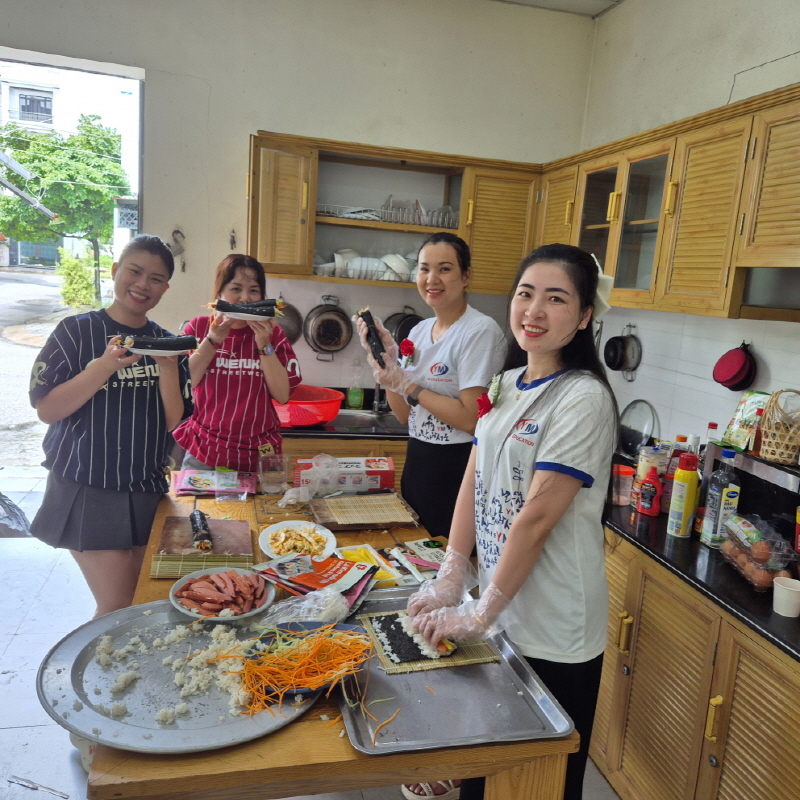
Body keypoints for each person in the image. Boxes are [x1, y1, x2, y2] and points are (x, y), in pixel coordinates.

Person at [407, 243, 617, 800]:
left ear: (584, 317)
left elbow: (537, 518)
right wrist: (453, 573)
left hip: (552, 625)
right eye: (526, 294)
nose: (535, 311)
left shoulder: (583, 398)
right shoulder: (507, 385)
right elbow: (473, 482)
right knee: (487, 773)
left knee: (536, 785)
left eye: (556, 298)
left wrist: (479, 610)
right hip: (504, 614)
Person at [29, 234, 192, 618]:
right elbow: (48, 409)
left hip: (145, 487)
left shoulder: (167, 344)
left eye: (155, 278)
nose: (142, 284)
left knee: (141, 597)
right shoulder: (75, 331)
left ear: (165, 289)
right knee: (119, 605)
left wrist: (167, 369)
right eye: (134, 271)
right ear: (116, 271)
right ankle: (88, 675)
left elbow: (173, 422)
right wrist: (104, 366)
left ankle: (118, 673)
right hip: (88, 486)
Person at [355, 232, 505, 539]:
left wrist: (409, 385)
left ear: (466, 276)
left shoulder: (479, 331)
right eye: (424, 269)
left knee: (453, 571)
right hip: (418, 465)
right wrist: (388, 366)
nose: (431, 278)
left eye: (444, 269)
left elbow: (472, 420)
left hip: (458, 470)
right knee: (416, 559)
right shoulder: (421, 331)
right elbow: (403, 416)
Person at [172, 254, 301, 472]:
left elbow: (282, 395)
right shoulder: (199, 328)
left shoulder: (274, 334)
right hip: (205, 451)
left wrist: (264, 344)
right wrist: (212, 341)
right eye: (236, 289)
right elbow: (185, 384)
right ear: (219, 293)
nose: (244, 299)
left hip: (260, 452)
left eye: (253, 290)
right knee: (198, 508)